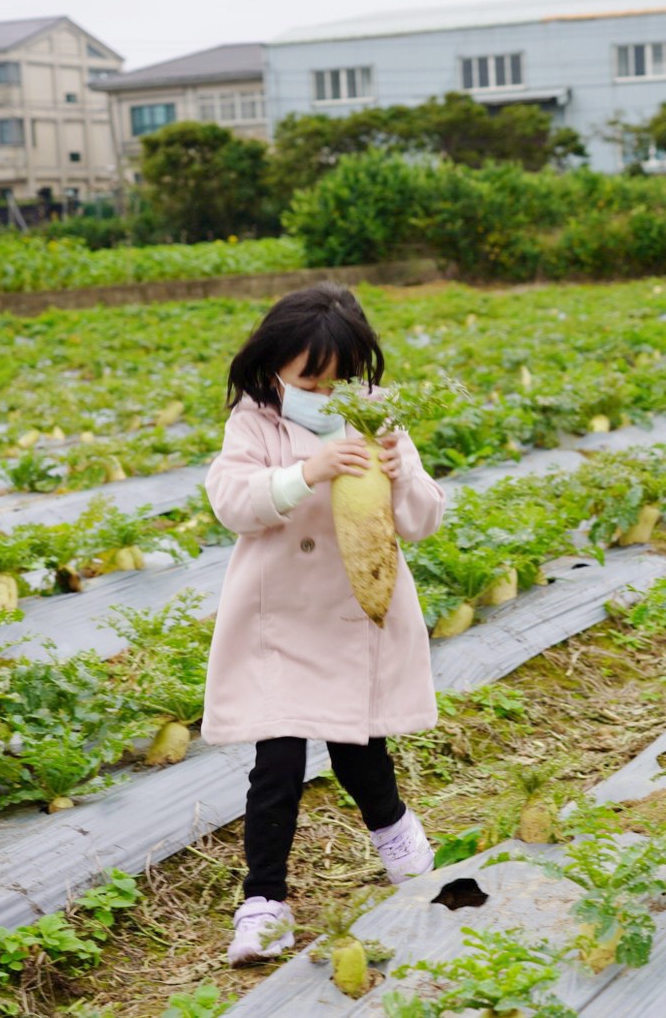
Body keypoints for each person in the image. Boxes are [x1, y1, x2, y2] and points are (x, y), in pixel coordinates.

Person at [202, 282, 446, 967]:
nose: (324, 391)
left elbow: (422, 520)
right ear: (275, 366)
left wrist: (402, 476)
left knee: (360, 755)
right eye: (311, 378)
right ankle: (265, 903)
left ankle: (397, 836)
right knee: (274, 767)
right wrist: (305, 472)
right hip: (280, 624)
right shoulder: (253, 423)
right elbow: (231, 501)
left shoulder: (378, 420)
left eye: (340, 379)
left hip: (356, 614)